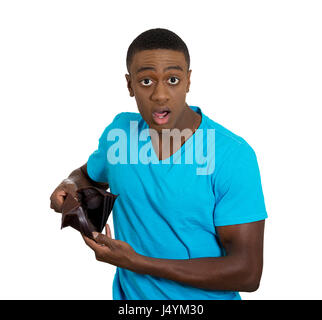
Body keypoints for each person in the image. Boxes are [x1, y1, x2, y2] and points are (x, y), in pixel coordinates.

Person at [50, 28, 267, 300]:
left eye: (173, 79)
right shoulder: (120, 134)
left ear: (188, 81)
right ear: (129, 85)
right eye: (146, 81)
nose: (160, 95)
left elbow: (247, 272)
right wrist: (69, 185)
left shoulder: (232, 156)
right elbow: (87, 175)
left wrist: (137, 262)